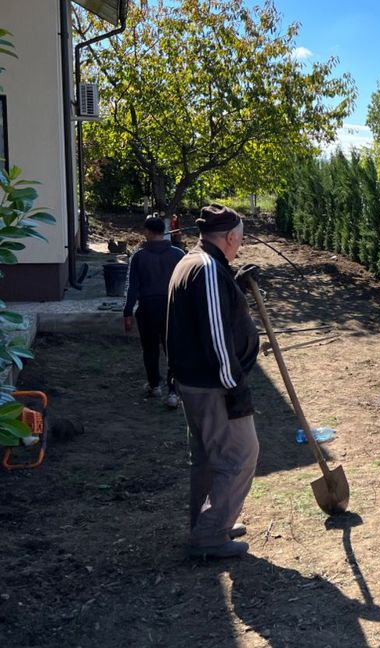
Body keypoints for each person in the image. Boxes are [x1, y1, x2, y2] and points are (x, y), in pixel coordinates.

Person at [167, 203, 261, 560]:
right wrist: (234, 386)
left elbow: (208, 311)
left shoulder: (195, 262)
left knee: (208, 458)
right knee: (241, 455)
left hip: (196, 381)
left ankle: (208, 523)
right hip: (213, 386)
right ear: (231, 237)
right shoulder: (206, 268)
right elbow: (215, 334)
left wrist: (233, 284)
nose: (240, 245)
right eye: (241, 239)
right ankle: (210, 535)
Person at [123, 216, 185, 408]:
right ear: (163, 232)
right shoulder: (178, 254)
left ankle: (154, 385)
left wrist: (127, 312)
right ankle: (173, 393)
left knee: (150, 348)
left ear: (148, 232)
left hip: (147, 308)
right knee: (173, 350)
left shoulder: (139, 256)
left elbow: (132, 287)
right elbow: (186, 285)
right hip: (172, 308)